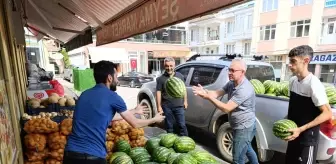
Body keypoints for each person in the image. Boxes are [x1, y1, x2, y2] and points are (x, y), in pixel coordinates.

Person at [63, 60, 165, 164]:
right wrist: (154, 119)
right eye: (116, 76)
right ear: (109, 78)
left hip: (70, 155)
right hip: (92, 157)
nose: (117, 80)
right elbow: (135, 123)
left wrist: (134, 111)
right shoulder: (113, 97)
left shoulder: (84, 95)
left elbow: (103, 117)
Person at [192, 59, 259, 164]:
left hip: (244, 127)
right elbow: (217, 93)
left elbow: (226, 108)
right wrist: (205, 92)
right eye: (229, 70)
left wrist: (209, 98)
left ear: (242, 72)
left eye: (232, 70)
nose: (229, 73)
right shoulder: (232, 83)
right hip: (241, 125)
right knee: (248, 149)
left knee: (237, 159)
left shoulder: (244, 89)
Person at [284, 45, 332, 164]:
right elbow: (297, 107)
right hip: (294, 135)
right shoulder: (293, 81)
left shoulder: (313, 84)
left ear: (306, 61)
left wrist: (301, 129)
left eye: (293, 61)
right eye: (290, 61)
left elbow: (327, 113)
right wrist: (286, 121)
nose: (290, 64)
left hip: (306, 140)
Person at [156, 57, 188, 136]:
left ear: (174, 66)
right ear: (164, 66)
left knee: (182, 125)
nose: (169, 68)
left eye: (171, 66)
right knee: (169, 127)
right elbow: (158, 92)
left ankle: (185, 142)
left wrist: (185, 101)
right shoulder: (160, 79)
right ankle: (170, 143)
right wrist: (159, 106)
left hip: (179, 105)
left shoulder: (180, 76)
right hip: (167, 106)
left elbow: (184, 89)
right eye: (167, 66)